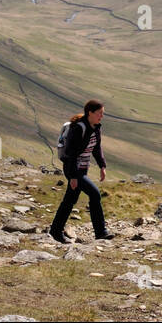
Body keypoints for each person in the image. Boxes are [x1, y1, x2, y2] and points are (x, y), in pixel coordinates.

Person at [49, 99, 114, 242]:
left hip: (83, 169)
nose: (101, 116)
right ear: (90, 113)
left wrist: (102, 166)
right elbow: (71, 153)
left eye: (102, 114)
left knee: (70, 200)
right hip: (73, 169)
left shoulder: (96, 128)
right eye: (99, 113)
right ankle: (100, 232)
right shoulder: (78, 128)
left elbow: (96, 148)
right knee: (95, 194)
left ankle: (55, 231)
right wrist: (73, 177)